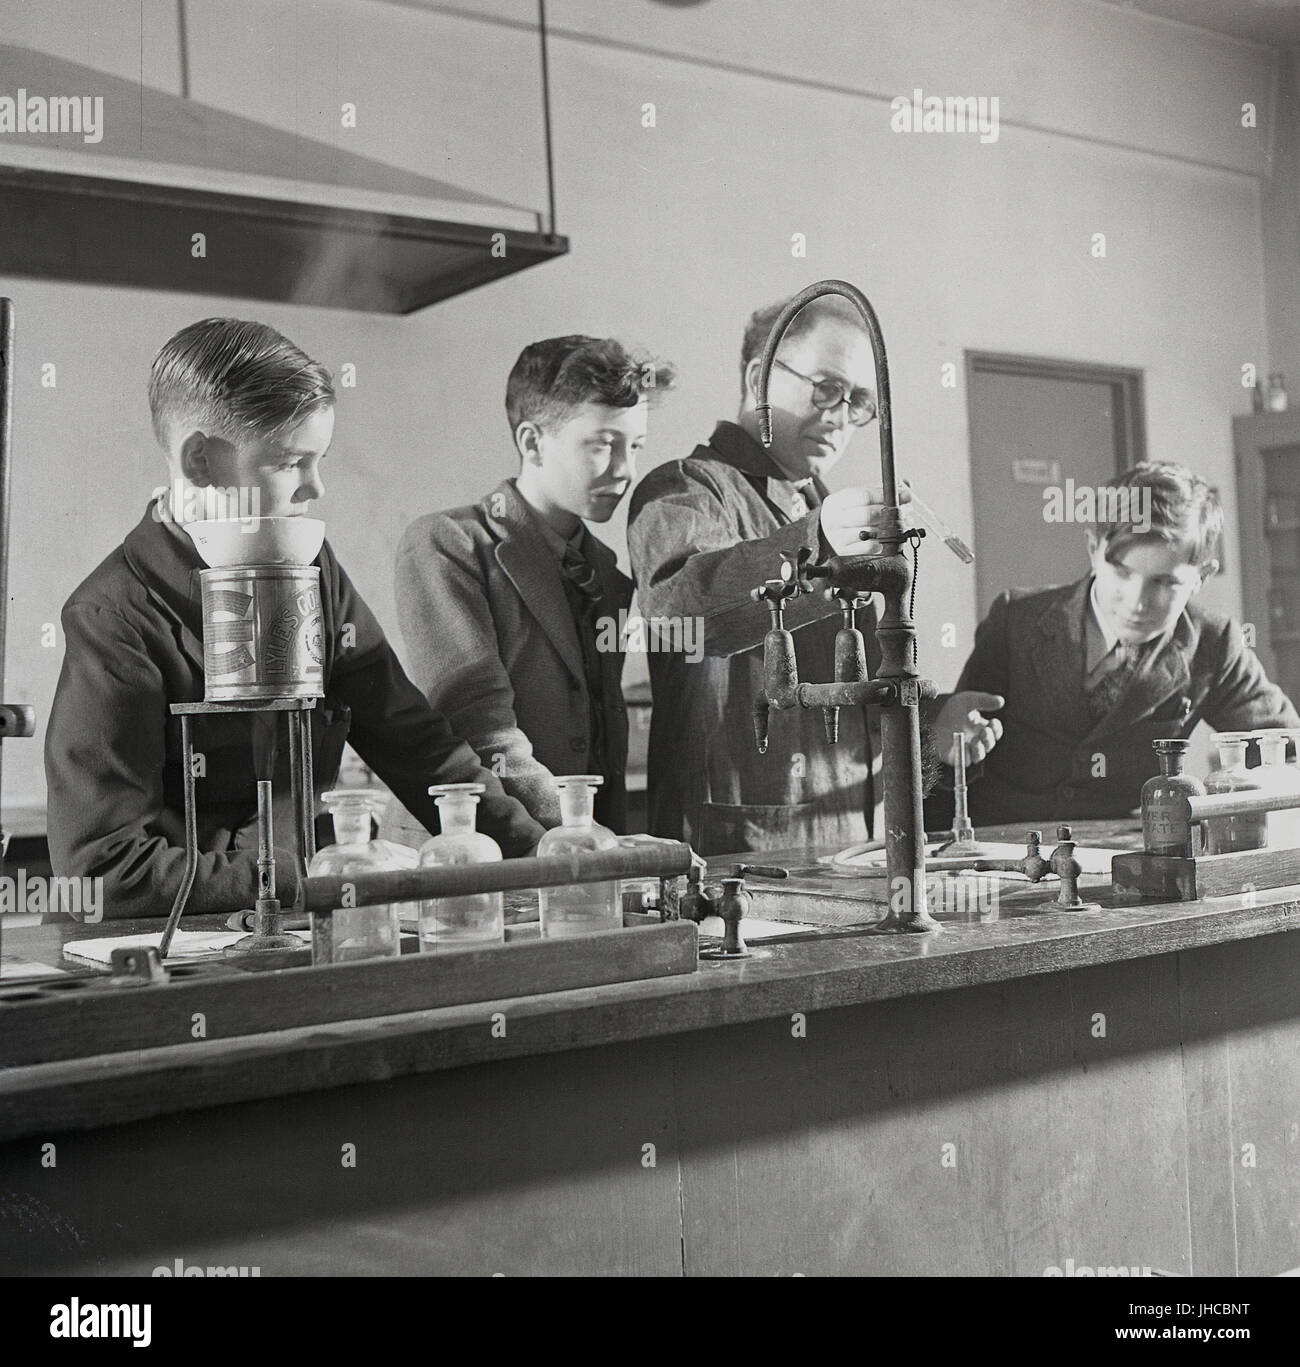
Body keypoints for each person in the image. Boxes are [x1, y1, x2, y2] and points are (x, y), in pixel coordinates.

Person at [44, 318, 545, 921]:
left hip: (298, 924)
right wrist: (317, 871)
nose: (316, 487)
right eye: (290, 462)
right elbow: (102, 873)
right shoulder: (113, 616)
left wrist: (544, 852)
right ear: (199, 459)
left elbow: (412, 741)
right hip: (166, 956)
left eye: (320, 460)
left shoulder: (310, 565)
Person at [626, 294, 1000, 854]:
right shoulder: (685, 490)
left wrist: (932, 728)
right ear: (759, 379)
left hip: (857, 836)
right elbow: (685, 617)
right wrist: (818, 540)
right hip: (743, 852)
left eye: (858, 402)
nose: (839, 416)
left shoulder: (822, 511)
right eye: (825, 387)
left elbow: (851, 690)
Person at [387, 335, 673, 838]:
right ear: (533, 442)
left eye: (635, 447)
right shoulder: (447, 544)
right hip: (468, 857)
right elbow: (481, 730)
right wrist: (587, 838)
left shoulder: (604, 570)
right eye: (603, 445)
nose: (626, 471)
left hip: (571, 866)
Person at [928, 461, 1300, 828]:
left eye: (1164, 583)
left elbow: (1286, 749)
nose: (1137, 602)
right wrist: (945, 742)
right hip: (1001, 851)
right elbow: (952, 744)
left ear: (1202, 576)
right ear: (1093, 548)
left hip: (1122, 862)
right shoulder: (1017, 619)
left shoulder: (1214, 643)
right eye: (1122, 571)